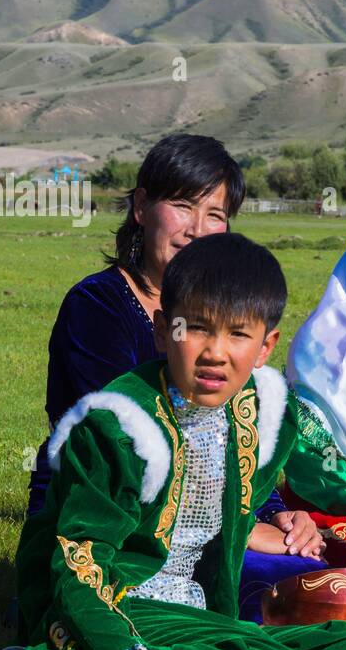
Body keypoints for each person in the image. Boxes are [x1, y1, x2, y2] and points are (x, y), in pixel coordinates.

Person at [0, 233, 346, 650]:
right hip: (114, 602)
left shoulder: (266, 420)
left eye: (238, 335)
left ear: (267, 345)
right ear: (162, 331)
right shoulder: (120, 425)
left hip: (195, 612)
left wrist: (271, 528)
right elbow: (77, 567)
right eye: (195, 328)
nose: (215, 353)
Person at [23, 134, 323, 614]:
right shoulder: (97, 306)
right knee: (260, 599)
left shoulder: (225, 320)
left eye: (216, 215)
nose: (197, 230)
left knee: (307, 580)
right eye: (183, 206)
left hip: (206, 512)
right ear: (142, 207)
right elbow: (120, 449)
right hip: (108, 520)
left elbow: (232, 433)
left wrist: (273, 513)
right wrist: (243, 526)